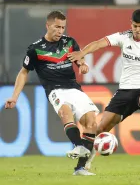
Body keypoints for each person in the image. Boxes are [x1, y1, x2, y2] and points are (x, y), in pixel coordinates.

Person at [68, 9, 140, 169]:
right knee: (99, 128)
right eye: (135, 26)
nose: (137, 30)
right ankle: (84, 166)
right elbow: (99, 43)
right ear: (130, 24)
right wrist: (82, 53)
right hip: (124, 92)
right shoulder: (124, 37)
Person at [4, 11, 99, 176]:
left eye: (63, 27)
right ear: (47, 26)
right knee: (65, 111)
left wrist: (82, 65)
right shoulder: (35, 49)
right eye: (57, 27)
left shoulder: (69, 42)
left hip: (74, 88)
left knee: (91, 122)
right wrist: (15, 96)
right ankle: (79, 145)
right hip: (55, 89)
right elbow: (24, 72)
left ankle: (80, 168)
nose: (60, 31)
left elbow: (78, 58)